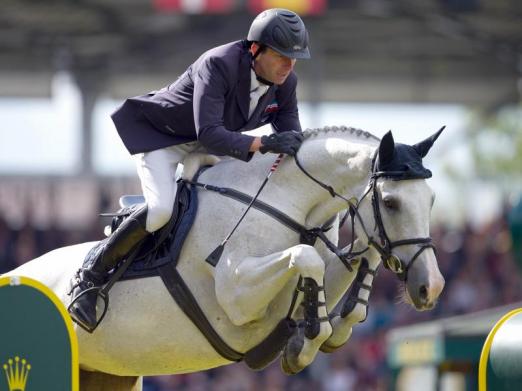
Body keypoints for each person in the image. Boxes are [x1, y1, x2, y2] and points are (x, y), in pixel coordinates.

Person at [69, 8, 310, 331]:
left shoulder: (285, 83)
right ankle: (90, 276)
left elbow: (290, 138)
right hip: (164, 141)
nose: (289, 65)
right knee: (160, 212)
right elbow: (210, 131)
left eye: (294, 58)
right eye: (282, 56)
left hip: (207, 149)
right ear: (255, 49)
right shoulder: (219, 64)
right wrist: (264, 143)